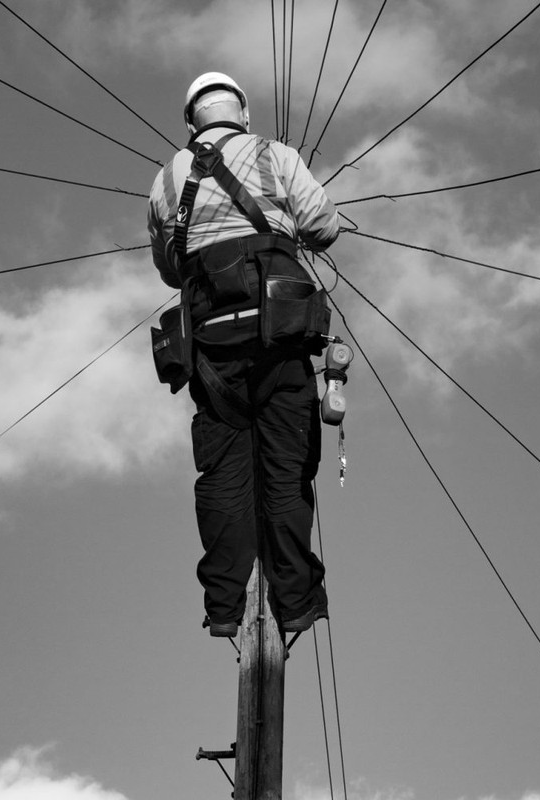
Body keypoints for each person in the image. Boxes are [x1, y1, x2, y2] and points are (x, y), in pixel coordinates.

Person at [147, 72, 340, 637]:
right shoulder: (274, 156)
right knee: (286, 472)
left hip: (211, 351)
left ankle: (227, 608)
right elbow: (324, 226)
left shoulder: (165, 181)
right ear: (245, 116)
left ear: (189, 125)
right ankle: (296, 602)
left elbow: (168, 268)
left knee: (224, 477)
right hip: (279, 342)